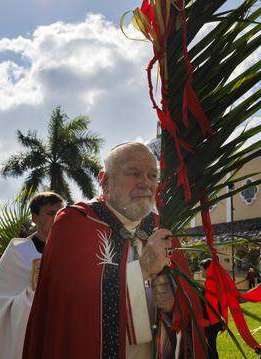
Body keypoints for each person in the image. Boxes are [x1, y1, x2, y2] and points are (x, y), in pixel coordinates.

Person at [22, 142, 206, 358]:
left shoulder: (160, 229)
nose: (146, 183)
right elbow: (71, 310)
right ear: (105, 181)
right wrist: (143, 269)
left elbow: (188, 313)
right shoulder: (74, 224)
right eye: (134, 173)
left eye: (152, 176)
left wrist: (171, 307)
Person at [0, 192, 64, 359]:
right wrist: (32, 294)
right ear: (34, 218)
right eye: (50, 214)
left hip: (61, 334)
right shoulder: (19, 253)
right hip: (29, 337)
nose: (56, 218)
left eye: (60, 213)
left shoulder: (70, 253)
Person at [200, 258, 223, 359]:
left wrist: (209, 321)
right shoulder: (210, 283)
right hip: (212, 322)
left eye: (202, 269)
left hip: (211, 322)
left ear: (208, 270)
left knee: (210, 347)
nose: (201, 271)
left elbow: (212, 305)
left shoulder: (211, 284)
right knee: (209, 347)